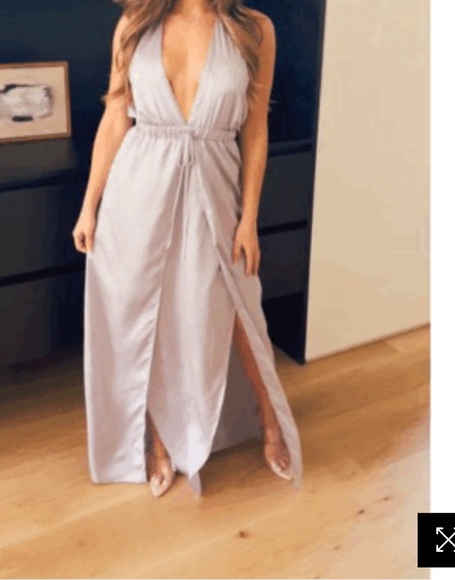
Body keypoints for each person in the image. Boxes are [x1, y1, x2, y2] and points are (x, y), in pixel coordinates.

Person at [73, 0, 304, 498]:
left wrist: (249, 219)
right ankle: (158, 441)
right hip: (137, 189)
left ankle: (270, 421)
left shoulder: (253, 29)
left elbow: (255, 129)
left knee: (240, 312)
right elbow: (115, 117)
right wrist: (90, 205)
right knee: (145, 315)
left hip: (215, 187)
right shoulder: (136, 23)